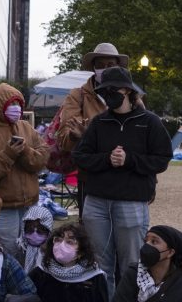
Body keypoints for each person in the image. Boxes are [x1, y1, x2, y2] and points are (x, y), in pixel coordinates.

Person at [73, 66, 172, 298]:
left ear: (127, 91)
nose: (108, 95)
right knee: (99, 264)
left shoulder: (149, 122)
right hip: (97, 202)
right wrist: (107, 159)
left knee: (131, 264)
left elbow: (162, 159)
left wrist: (130, 160)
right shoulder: (99, 123)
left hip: (131, 201)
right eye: (104, 91)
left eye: (112, 90)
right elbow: (80, 157)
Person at [0, 83, 49, 265]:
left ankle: (28, 288)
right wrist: (8, 154)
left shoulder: (27, 128)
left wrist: (25, 152)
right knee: (8, 253)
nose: (16, 108)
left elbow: (42, 157)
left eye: (18, 104)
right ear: (0, 107)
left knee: (32, 249)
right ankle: (6, 290)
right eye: (10, 104)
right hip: (2, 207)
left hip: (30, 204)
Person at [55, 43, 130, 215]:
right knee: (93, 236)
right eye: (100, 66)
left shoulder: (131, 95)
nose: (105, 69)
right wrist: (77, 136)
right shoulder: (78, 96)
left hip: (127, 178)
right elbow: (65, 140)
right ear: (93, 68)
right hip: (92, 178)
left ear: (118, 67)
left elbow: (143, 138)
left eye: (110, 65)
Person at [28, 222, 110, 302]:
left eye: (70, 242)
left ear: (81, 252)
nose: (62, 245)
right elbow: (26, 300)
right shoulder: (41, 272)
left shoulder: (94, 277)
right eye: (58, 240)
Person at [18, 204, 53, 273]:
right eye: (30, 229)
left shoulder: (51, 252)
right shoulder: (21, 248)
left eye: (40, 230)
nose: (34, 234)